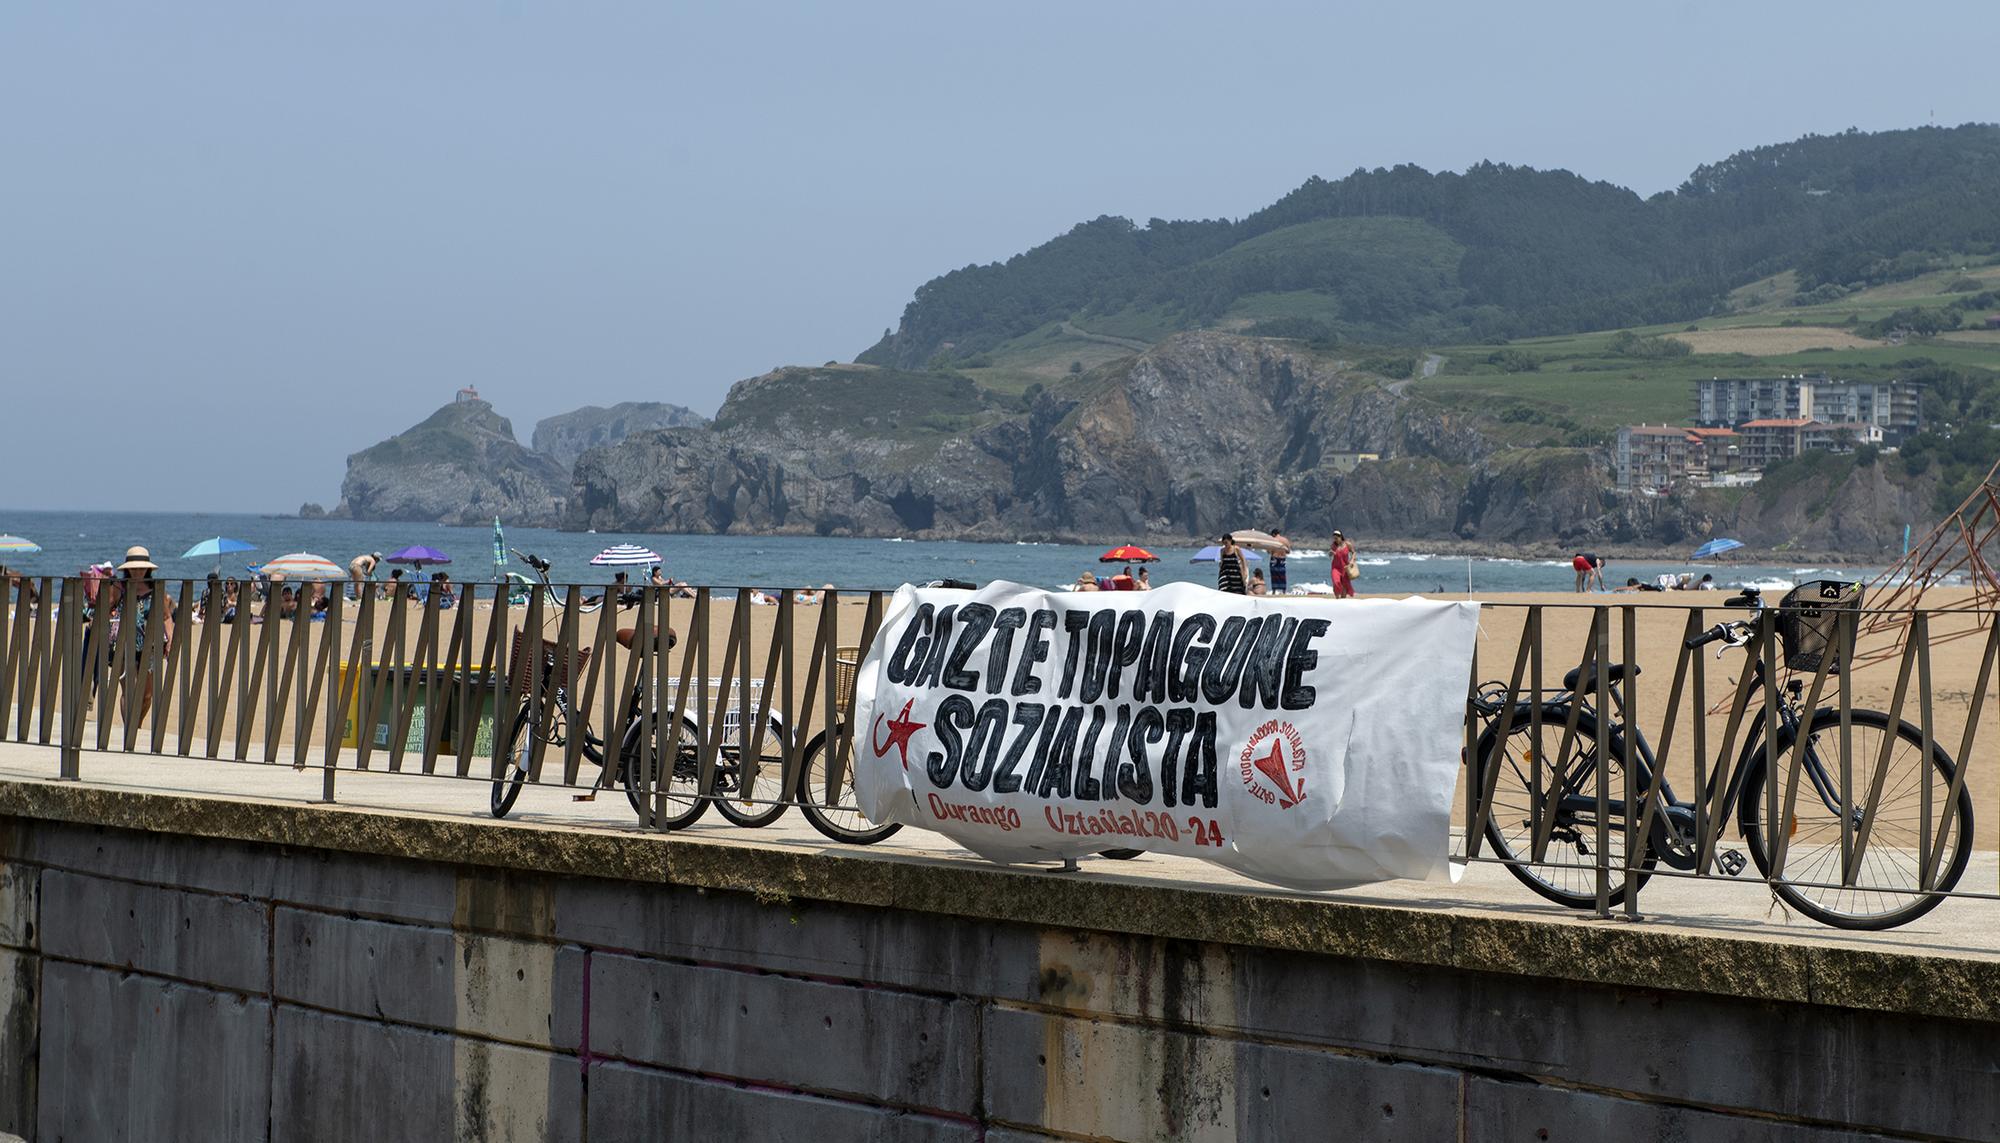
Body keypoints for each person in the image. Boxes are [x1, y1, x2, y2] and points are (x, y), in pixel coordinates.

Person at [1329, 531, 1356, 599]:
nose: (1335, 540)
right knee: (1336, 582)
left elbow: (1353, 552)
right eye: (1334, 538)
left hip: (1345, 568)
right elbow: (1330, 554)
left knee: (1344, 586)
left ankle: (1342, 602)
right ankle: (1337, 599)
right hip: (1335, 568)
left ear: (1340, 537)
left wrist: (1352, 560)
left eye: (1336, 538)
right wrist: (1330, 553)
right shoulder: (1333, 545)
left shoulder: (1347, 544)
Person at [1269, 529, 1290, 595]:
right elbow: (1288, 551)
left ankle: (1274, 591)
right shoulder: (1285, 540)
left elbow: (1269, 551)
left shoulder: (1272, 540)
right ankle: (1284, 591)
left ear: (1273, 534)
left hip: (1274, 559)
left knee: (1274, 575)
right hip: (1282, 559)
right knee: (1282, 575)